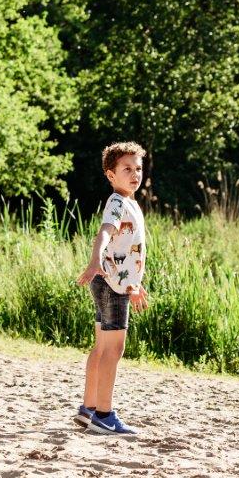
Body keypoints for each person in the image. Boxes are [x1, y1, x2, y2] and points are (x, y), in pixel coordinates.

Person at [75, 141, 150, 436]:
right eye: (127, 169)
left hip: (112, 282)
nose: (135, 174)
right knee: (114, 349)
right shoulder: (117, 203)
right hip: (110, 284)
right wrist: (95, 260)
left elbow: (129, 250)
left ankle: (89, 409)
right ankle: (104, 416)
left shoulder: (129, 202)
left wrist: (136, 284)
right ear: (111, 175)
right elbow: (106, 232)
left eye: (138, 169)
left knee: (102, 346)